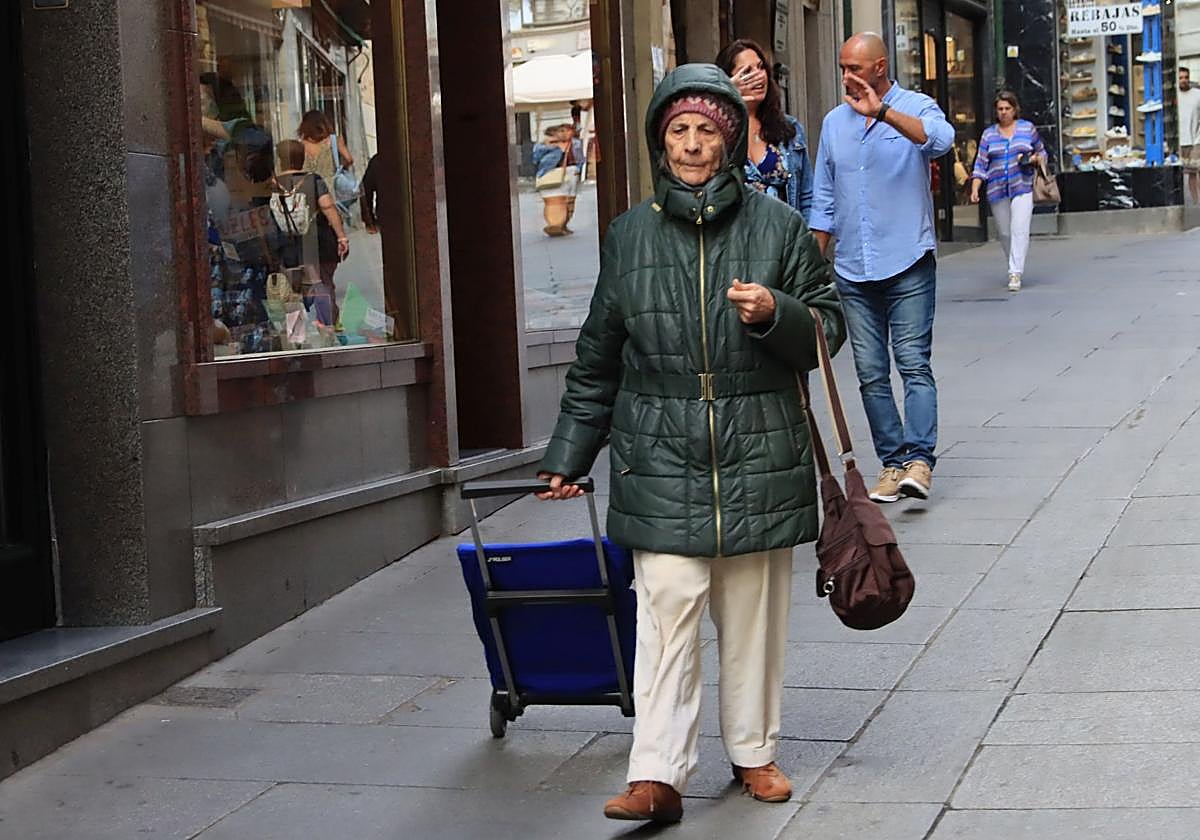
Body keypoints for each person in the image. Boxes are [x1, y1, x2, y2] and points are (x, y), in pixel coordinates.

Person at [536, 64, 845, 824]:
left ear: (732, 138)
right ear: (658, 140)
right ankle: (658, 771)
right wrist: (569, 455)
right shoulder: (629, 234)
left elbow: (828, 328)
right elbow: (598, 354)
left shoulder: (776, 227)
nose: (693, 145)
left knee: (752, 615)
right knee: (667, 608)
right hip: (661, 450)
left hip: (757, 447)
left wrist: (778, 311)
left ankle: (754, 752)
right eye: (679, 131)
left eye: (708, 130)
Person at [809, 31, 954, 504]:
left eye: (855, 68)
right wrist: (813, 262)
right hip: (853, 269)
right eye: (842, 68)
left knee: (913, 364)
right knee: (870, 374)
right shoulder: (833, 123)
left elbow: (941, 141)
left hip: (907, 260)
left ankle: (920, 462)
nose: (847, 77)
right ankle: (893, 463)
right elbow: (825, 198)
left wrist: (884, 113)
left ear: (880, 67)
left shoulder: (915, 105)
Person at [716, 38, 815, 220]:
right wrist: (725, 97)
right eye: (747, 72)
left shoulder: (789, 128)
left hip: (786, 241)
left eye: (760, 67)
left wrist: (809, 243)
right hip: (737, 242)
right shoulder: (716, 132)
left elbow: (807, 196)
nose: (759, 76)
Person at [969, 92, 1046, 293]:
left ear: (1014, 110)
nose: (1003, 113)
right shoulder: (989, 135)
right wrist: (975, 187)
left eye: (1007, 109)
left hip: (1022, 184)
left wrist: (1035, 158)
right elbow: (981, 163)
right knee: (1004, 232)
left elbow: (1041, 151)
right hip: (997, 188)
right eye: (1000, 109)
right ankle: (1013, 262)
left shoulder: (1027, 129)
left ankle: (1015, 272)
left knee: (1019, 228)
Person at [273, 139, 350, 327]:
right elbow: (328, 207)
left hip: (287, 245)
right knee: (321, 284)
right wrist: (341, 236)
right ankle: (328, 325)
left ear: (280, 159)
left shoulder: (273, 184)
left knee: (291, 292)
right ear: (303, 157)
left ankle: (296, 334)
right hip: (317, 241)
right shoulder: (313, 179)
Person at [531, 124, 583, 236]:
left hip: (571, 172)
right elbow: (535, 159)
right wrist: (549, 146)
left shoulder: (575, 143)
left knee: (570, 201)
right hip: (552, 173)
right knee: (555, 201)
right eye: (562, 131)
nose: (565, 133)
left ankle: (563, 225)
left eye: (568, 131)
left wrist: (579, 171)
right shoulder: (547, 145)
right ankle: (555, 224)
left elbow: (579, 158)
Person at [298, 110, 354, 206]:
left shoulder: (300, 145)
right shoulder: (333, 140)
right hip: (329, 189)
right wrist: (340, 168)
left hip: (308, 190)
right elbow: (349, 159)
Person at [1179, 67, 1200, 206]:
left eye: (1186, 77)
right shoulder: (1173, 96)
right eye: (1181, 78)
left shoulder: (1197, 94)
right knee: (1190, 174)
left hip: (1196, 139)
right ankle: (1195, 203)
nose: (1184, 80)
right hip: (1181, 140)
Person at [361, 153, 381, 234]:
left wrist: (369, 221)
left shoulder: (377, 160)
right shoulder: (378, 161)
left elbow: (365, 190)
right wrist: (369, 220)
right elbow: (365, 189)